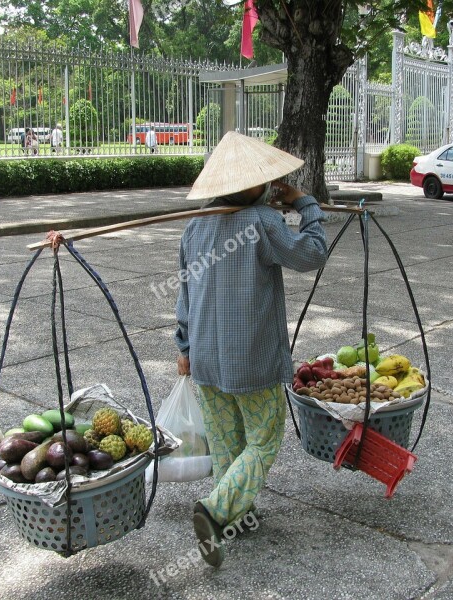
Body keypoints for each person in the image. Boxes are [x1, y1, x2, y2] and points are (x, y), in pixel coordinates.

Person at [174, 131, 328, 567]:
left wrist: (182, 345)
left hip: (204, 357)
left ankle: (235, 513)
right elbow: (312, 253)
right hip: (252, 361)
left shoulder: (194, 228)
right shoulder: (260, 222)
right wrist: (305, 203)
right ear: (259, 186)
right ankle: (215, 508)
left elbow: (183, 298)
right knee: (262, 440)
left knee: (227, 443)